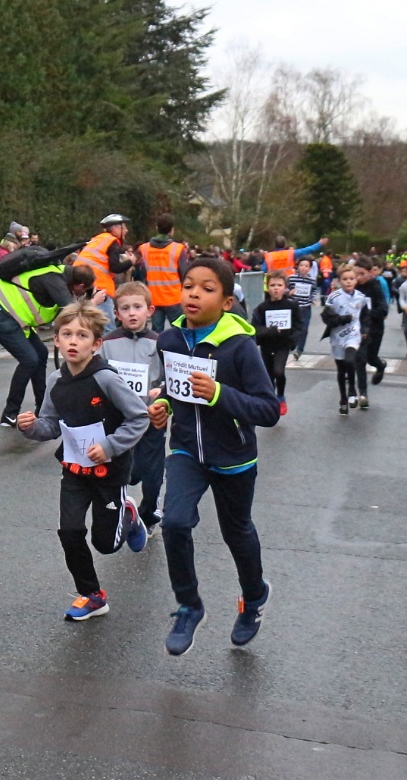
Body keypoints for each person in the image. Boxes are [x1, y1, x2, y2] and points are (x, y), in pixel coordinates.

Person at [148, 257, 279, 655]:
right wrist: (163, 406)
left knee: (236, 532)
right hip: (186, 450)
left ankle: (254, 596)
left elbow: (268, 410)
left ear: (226, 302)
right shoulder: (169, 340)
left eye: (207, 289)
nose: (194, 294)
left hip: (233, 456)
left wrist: (219, 393)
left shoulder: (240, 347)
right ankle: (189, 605)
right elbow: (173, 388)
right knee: (174, 522)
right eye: (188, 285)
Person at [17, 303, 149, 620]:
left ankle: (128, 514)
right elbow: (50, 425)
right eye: (66, 334)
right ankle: (92, 596)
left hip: (109, 471)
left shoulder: (106, 379)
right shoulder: (55, 381)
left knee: (105, 544)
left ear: (96, 343)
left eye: (82, 335)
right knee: (70, 531)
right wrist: (31, 427)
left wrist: (110, 446)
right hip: (74, 470)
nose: (73, 341)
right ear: (56, 341)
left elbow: (139, 417)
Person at [0, 257, 99, 427]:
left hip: (10, 316)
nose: (83, 294)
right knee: (29, 360)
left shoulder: (59, 275)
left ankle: (42, 409)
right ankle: (10, 413)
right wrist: (93, 302)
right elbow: (71, 312)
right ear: (79, 285)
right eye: (84, 291)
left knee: (41, 354)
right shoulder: (56, 281)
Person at [101, 282, 166, 535]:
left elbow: (169, 377)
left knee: (153, 471)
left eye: (137, 307)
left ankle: (148, 513)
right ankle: (120, 506)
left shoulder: (160, 342)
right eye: (125, 308)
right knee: (126, 470)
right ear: (117, 313)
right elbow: (97, 374)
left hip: (151, 416)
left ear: (149, 310)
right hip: (119, 419)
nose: (132, 313)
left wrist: (160, 390)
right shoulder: (107, 343)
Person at [251, 270, 302, 416]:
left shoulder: (292, 305)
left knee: (278, 371)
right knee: (268, 375)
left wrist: (292, 340)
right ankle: (270, 399)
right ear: (267, 287)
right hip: (267, 345)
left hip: (283, 344)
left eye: (279, 285)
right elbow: (255, 328)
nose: (276, 288)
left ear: (285, 287)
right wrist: (269, 331)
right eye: (272, 285)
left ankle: (280, 397)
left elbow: (299, 325)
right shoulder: (262, 308)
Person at [322, 263, 371, 415]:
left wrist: (365, 330)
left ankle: (352, 391)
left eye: (351, 279)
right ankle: (343, 399)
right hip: (337, 336)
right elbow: (326, 318)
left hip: (353, 335)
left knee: (350, 361)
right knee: (341, 369)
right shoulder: (334, 297)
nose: (348, 282)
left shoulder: (361, 297)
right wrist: (342, 319)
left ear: (356, 280)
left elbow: (365, 316)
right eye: (345, 279)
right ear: (339, 281)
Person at [73, 214, 134, 331]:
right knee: (107, 327)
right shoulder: (112, 242)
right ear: (115, 228)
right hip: (100, 286)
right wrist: (130, 261)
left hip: (81, 284)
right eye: (124, 227)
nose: (127, 230)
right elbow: (115, 267)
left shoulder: (97, 239)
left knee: (87, 325)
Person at [137, 213, 189, 332]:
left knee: (156, 333)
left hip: (154, 298)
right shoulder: (178, 249)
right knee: (180, 332)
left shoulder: (144, 248)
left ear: (157, 228)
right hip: (174, 298)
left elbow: (141, 273)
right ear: (172, 230)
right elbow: (185, 274)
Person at [353, 255, 388, 398]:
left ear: (370, 272)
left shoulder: (375, 287)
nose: (359, 277)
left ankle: (381, 366)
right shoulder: (353, 286)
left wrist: (366, 313)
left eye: (362, 274)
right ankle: (363, 394)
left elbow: (383, 310)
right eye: (356, 274)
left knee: (371, 359)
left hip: (375, 328)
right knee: (360, 360)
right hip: (358, 330)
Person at [287, 256, 316, 359]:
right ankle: (292, 344)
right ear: (298, 266)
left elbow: (314, 290)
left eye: (306, 266)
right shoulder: (292, 278)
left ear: (310, 268)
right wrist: (289, 292)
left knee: (304, 329)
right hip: (294, 307)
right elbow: (286, 289)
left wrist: (312, 299)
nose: (303, 268)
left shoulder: (312, 280)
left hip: (306, 307)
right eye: (301, 265)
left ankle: (299, 350)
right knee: (292, 328)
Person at [264, 234, 328, 276]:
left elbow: (263, 270)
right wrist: (319, 244)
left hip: (273, 282)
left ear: (275, 244)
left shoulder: (268, 256)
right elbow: (307, 250)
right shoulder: (291, 253)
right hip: (289, 281)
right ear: (285, 245)